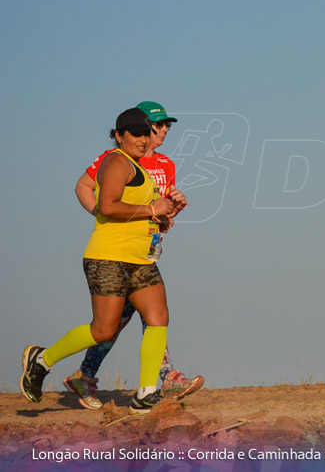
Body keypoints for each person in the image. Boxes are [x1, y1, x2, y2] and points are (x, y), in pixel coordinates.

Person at [21, 108, 187, 413]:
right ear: (119, 135)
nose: (142, 139)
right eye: (134, 133)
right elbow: (107, 207)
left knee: (158, 317)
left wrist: (167, 213)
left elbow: (146, 216)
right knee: (103, 330)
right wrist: (153, 210)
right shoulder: (115, 162)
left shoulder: (143, 169)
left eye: (145, 133)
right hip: (109, 259)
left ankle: (146, 393)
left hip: (141, 260)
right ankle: (42, 360)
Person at [63, 101, 204, 409]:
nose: (163, 130)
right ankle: (161, 377)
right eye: (156, 125)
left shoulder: (165, 164)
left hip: (145, 250)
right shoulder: (114, 160)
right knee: (120, 322)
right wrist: (101, 213)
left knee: (138, 318)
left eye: (166, 125)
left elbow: (157, 209)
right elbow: (84, 187)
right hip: (115, 252)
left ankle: (88, 375)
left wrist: (171, 208)